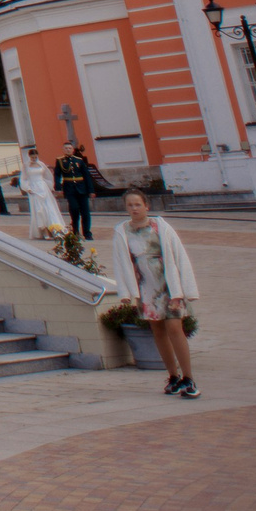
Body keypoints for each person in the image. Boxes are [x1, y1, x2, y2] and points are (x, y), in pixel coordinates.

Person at [112, 188, 199, 397]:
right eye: (130, 205)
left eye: (137, 204)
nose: (134, 209)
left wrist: (183, 290)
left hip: (168, 284)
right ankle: (173, 376)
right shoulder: (122, 231)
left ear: (146, 206)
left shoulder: (161, 227)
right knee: (158, 331)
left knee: (175, 328)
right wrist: (126, 292)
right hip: (146, 287)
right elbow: (121, 262)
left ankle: (189, 378)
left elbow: (178, 255)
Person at [54, 140, 101, 240]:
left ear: (73, 150)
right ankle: (75, 231)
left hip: (82, 189)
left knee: (85, 212)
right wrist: (58, 187)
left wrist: (91, 190)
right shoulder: (60, 161)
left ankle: (87, 233)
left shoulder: (79, 160)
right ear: (63, 150)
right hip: (69, 189)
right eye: (66, 148)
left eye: (70, 148)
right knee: (74, 209)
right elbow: (57, 174)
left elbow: (86, 176)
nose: (68, 150)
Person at [18, 147, 67, 238]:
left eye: (35, 157)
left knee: (49, 208)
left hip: (43, 187)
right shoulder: (26, 166)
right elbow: (23, 179)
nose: (34, 159)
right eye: (32, 157)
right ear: (29, 157)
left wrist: (50, 186)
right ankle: (43, 230)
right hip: (33, 189)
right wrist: (27, 188)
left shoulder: (41, 164)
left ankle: (55, 229)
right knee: (39, 209)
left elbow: (47, 175)